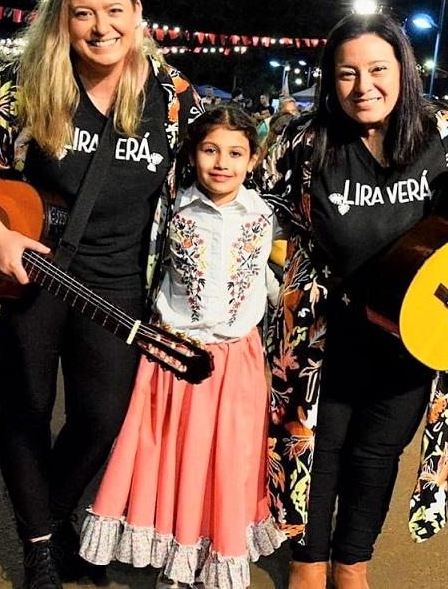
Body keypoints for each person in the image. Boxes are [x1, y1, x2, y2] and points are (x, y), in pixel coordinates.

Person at [0, 0, 202, 589]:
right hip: (31, 274)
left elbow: (214, 175)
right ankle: (42, 544)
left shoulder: (174, 96)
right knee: (26, 407)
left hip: (120, 281)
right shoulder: (23, 82)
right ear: (62, 21)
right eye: (83, 14)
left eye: (113, 11)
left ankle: (49, 512)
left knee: (102, 415)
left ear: (138, 13)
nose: (101, 27)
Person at [258, 12, 448, 589]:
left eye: (377, 69)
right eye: (346, 73)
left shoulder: (443, 132)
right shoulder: (303, 140)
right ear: (329, 79)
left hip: (418, 325)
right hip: (326, 327)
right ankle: (307, 562)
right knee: (319, 451)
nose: (363, 86)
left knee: (378, 451)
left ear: (404, 69)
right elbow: (251, 207)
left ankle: (353, 564)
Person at [80, 106, 284, 587]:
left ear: (253, 159)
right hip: (174, 357)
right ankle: (176, 560)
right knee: (173, 456)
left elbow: (271, 280)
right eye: (210, 150)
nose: (222, 163)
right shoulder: (170, 209)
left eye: (235, 153)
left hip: (237, 360)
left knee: (224, 459)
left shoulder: (265, 216)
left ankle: (211, 555)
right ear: (192, 155)